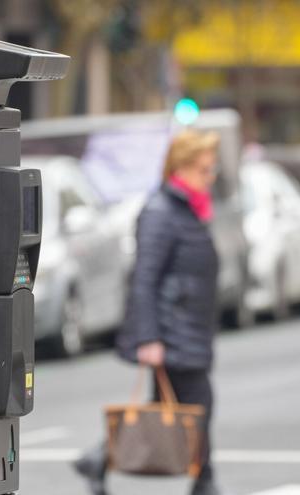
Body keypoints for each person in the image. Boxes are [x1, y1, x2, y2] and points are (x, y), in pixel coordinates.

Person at [74, 129, 224, 495]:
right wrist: (149, 337)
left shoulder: (186, 209)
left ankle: (97, 459)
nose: (210, 177)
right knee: (199, 405)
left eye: (212, 170)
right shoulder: (160, 212)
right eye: (204, 170)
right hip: (172, 330)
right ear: (181, 168)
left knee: (166, 408)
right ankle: (205, 483)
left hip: (189, 327)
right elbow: (144, 278)